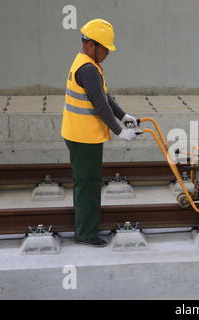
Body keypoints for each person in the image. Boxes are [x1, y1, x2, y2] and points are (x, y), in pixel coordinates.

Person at [61, 19, 137, 247]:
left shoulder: (86, 63)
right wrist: (119, 131)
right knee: (88, 184)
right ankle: (85, 233)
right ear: (91, 45)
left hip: (80, 134)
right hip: (83, 137)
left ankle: (86, 228)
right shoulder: (88, 69)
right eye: (105, 48)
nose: (107, 53)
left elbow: (105, 97)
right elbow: (100, 105)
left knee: (87, 183)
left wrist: (123, 116)